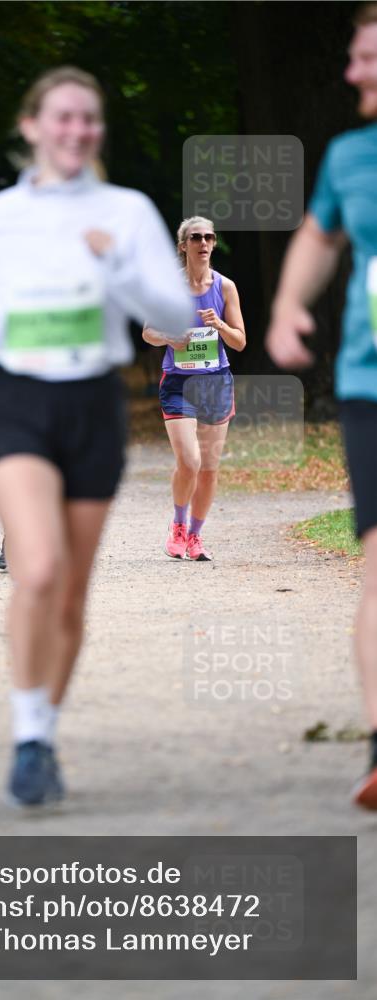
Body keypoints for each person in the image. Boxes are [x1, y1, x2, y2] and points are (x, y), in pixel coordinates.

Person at [0, 66, 193, 807]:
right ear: (31, 127)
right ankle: (24, 740)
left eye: (88, 119)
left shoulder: (126, 212)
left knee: (73, 590)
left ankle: (45, 732)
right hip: (17, 398)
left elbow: (175, 319)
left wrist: (114, 263)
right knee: (40, 569)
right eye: (61, 117)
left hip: (92, 403)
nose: (76, 130)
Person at [266, 3, 377, 810]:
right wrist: (284, 307)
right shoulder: (348, 155)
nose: (351, 72)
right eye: (352, 56)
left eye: (367, 58)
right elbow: (316, 236)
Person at [143, 217, 246, 561]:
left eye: (209, 237)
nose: (203, 243)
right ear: (183, 245)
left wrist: (219, 325)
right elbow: (148, 332)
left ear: (214, 244)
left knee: (210, 468)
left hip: (216, 381)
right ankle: (177, 525)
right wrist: (170, 337)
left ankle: (196, 537)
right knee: (189, 460)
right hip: (179, 382)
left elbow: (241, 341)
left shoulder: (225, 287)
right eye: (196, 237)